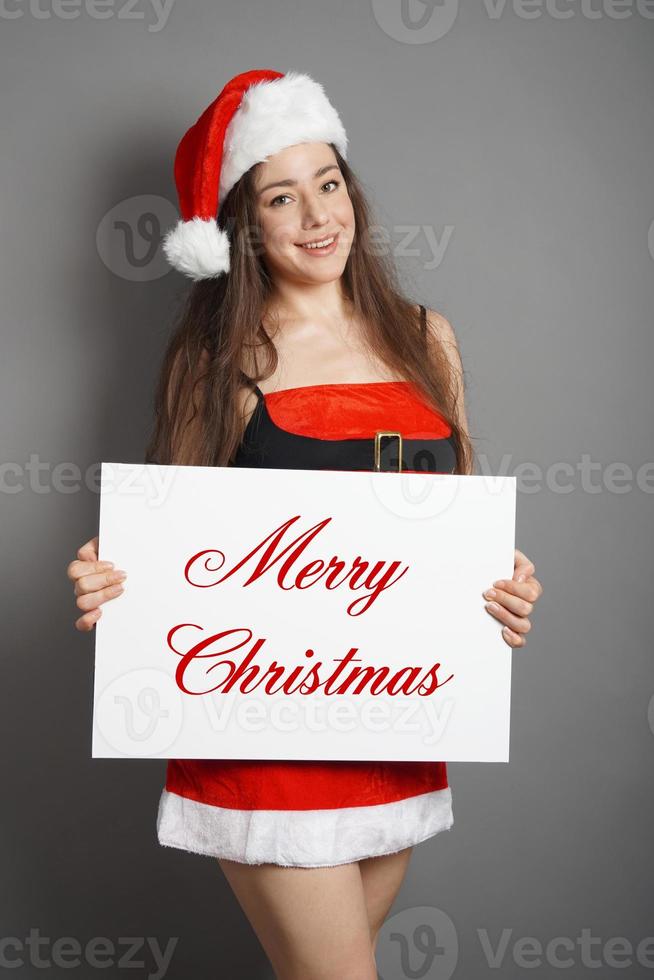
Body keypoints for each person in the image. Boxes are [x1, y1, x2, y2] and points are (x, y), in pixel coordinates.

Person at [66, 69, 543, 980]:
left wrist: (508, 585)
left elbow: (461, 522)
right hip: (262, 732)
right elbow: (168, 542)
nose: (318, 214)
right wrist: (110, 578)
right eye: (282, 197)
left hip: (393, 721)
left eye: (328, 183)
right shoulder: (215, 361)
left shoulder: (423, 335)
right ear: (245, 227)